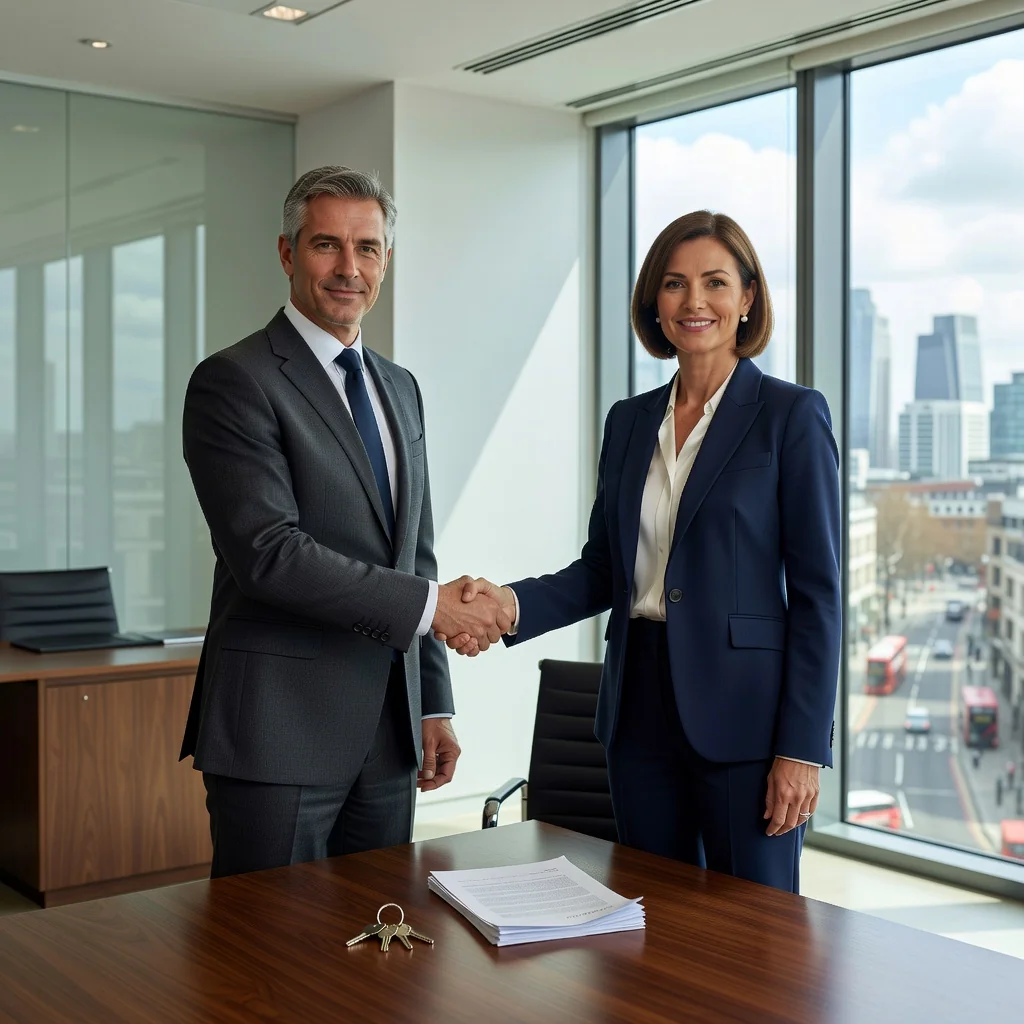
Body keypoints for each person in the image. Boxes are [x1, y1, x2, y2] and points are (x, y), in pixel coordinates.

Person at [440, 211, 841, 894]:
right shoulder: (629, 422)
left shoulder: (790, 417)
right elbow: (604, 569)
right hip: (639, 712)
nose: (694, 302)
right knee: (653, 920)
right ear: (654, 302)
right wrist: (508, 605)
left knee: (758, 935)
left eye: (714, 283)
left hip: (745, 722)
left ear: (747, 298)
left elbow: (818, 596)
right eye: (674, 284)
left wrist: (801, 749)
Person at [181, 165, 509, 878]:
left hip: (389, 735)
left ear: (386, 259)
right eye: (327, 245)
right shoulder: (234, 381)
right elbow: (268, 552)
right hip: (279, 731)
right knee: (268, 960)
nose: (348, 268)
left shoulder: (400, 387)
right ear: (287, 253)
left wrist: (431, 706)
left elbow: (411, 556)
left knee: (379, 951)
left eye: (368, 248)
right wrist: (434, 608)